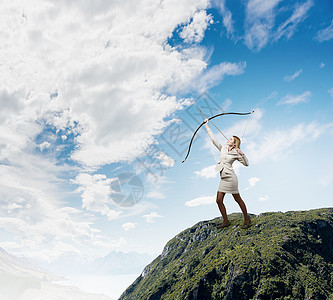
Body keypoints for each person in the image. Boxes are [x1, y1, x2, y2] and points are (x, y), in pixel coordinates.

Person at [204, 119, 251, 229]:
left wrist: (242, 154)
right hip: (223, 179)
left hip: (231, 178)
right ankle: (225, 221)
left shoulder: (236, 152)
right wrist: (207, 126)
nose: (228, 140)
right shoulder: (223, 148)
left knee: (238, 199)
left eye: (230, 139)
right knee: (218, 200)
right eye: (229, 138)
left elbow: (247, 164)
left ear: (234, 143)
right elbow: (213, 140)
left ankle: (247, 219)